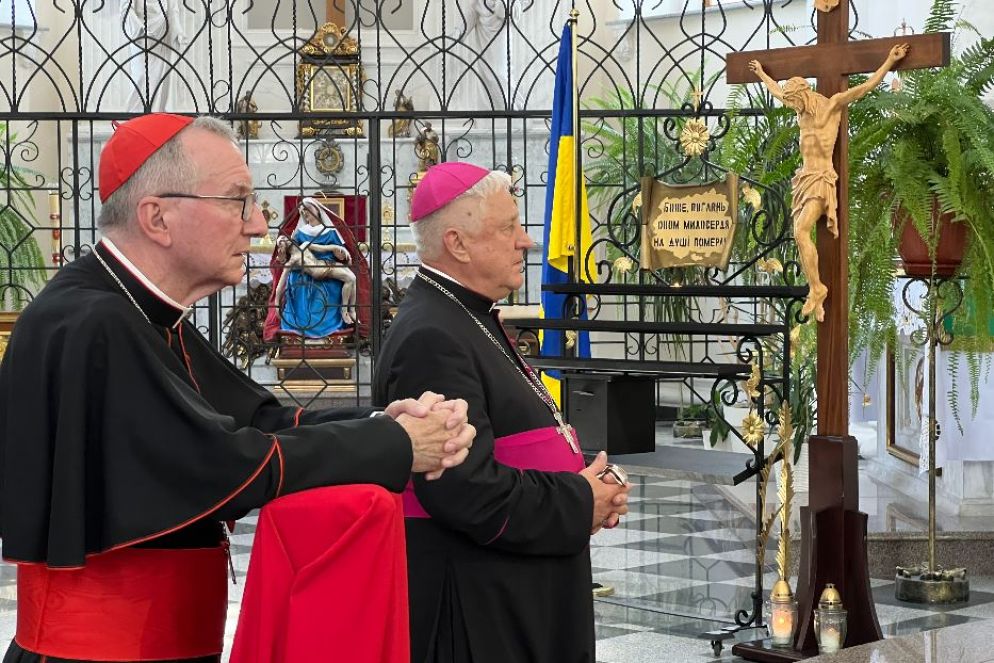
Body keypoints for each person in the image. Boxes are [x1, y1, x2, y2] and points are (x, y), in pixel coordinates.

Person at [0, 113, 475, 663]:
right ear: (158, 218)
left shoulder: (146, 313)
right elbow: (222, 463)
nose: (258, 226)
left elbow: (257, 422)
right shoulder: (93, 321)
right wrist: (397, 446)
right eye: (238, 201)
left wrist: (383, 424)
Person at [372, 162, 631, 663]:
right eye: (509, 227)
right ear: (458, 243)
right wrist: (579, 500)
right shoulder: (433, 335)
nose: (526, 241)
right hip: (477, 605)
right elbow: (464, 490)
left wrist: (589, 488)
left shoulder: (466, 315)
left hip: (513, 589)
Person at [748, 43, 908, 322]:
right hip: (804, 179)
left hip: (822, 179)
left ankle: (818, 288)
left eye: (793, 101)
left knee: (800, 232)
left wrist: (889, 61)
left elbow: (865, 88)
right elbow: (777, 91)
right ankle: (816, 289)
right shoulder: (799, 109)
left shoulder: (831, 105)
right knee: (800, 233)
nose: (791, 107)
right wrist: (762, 74)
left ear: (803, 94)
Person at [274, 197, 358, 332]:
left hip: (327, 263)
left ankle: (350, 311)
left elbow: (328, 248)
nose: (305, 213)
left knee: (352, 278)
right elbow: (284, 264)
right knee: (298, 281)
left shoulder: (330, 231)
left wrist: (341, 251)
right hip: (308, 273)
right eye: (302, 211)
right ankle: (345, 312)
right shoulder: (300, 235)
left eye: (307, 209)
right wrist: (277, 303)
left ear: (317, 209)